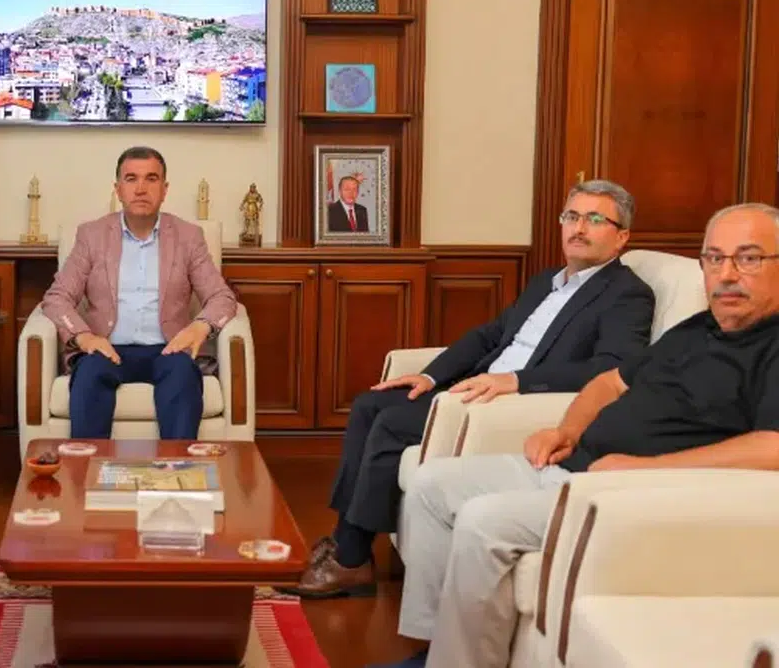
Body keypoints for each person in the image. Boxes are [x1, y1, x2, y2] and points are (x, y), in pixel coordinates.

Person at [383, 202, 779, 668]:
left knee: (482, 519)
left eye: (749, 258)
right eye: (714, 258)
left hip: (631, 492)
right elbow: (609, 382)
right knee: (430, 484)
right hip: (575, 465)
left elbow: (772, 447)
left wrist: (643, 469)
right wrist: (565, 430)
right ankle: (436, 648)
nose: (727, 274)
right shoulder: (698, 328)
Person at [287, 179, 655, 600]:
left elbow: (610, 369)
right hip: (475, 387)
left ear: (621, 236)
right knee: (370, 404)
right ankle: (345, 541)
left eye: (594, 219)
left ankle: (351, 560)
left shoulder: (627, 294)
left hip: (509, 402)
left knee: (391, 423)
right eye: (571, 216)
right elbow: (490, 335)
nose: (579, 228)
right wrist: (430, 376)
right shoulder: (546, 282)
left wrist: (516, 381)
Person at [41, 146, 238, 440]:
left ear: (165, 189)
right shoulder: (92, 236)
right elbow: (56, 298)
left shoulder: (188, 237)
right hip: (107, 349)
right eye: (131, 179)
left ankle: (178, 466)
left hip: (168, 349)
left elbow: (222, 297)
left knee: (182, 375)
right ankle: (86, 467)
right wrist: (84, 337)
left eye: (151, 179)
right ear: (118, 189)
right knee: (90, 374)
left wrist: (201, 326)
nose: (141, 189)